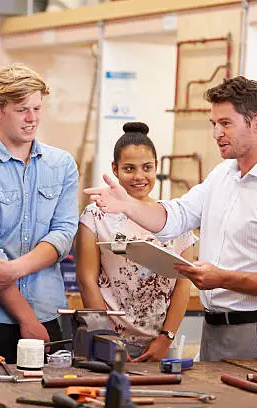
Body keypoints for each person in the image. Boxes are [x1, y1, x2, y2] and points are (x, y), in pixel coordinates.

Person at [85, 76, 257, 362]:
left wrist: (224, 278)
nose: (216, 133)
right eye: (214, 124)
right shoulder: (222, 176)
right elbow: (176, 217)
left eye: (226, 123)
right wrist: (127, 205)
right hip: (213, 332)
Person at [0, 64, 79, 363]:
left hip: (49, 311)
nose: (32, 119)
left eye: (37, 108)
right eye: (22, 109)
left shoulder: (62, 164)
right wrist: (26, 319)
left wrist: (14, 269)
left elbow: (64, 234)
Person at [76, 122, 196, 361]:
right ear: (115, 168)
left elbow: (184, 282)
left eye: (147, 168)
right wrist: (107, 338)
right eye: (129, 168)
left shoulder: (173, 217)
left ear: (156, 167)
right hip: (107, 342)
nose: (139, 177)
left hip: (159, 346)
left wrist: (166, 337)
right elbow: (86, 280)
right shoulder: (96, 215)